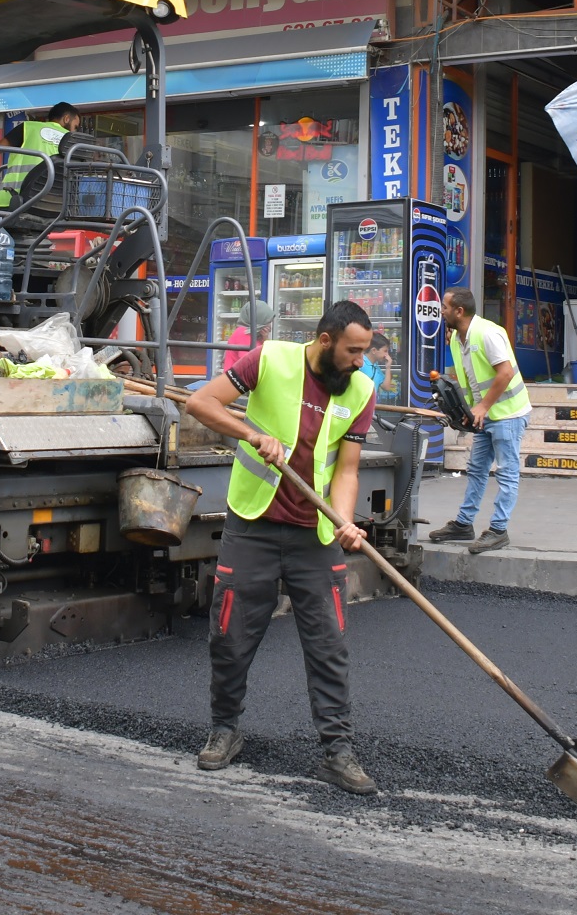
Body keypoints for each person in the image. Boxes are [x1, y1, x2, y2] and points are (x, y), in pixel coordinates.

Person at [184, 300, 380, 796]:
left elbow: (348, 469)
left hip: (313, 537)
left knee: (329, 642)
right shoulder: (268, 359)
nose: (360, 360)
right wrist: (254, 434)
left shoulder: (361, 389)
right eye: (353, 350)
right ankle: (225, 730)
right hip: (254, 523)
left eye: (365, 351)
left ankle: (337, 749)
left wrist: (345, 521)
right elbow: (200, 403)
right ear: (325, 340)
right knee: (230, 634)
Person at [428, 289, 531, 553]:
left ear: (459, 311)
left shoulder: (488, 333)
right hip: (485, 415)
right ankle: (464, 524)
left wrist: (483, 406)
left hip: (508, 414)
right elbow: (471, 380)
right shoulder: (455, 340)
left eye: (445, 307)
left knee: (506, 473)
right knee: (476, 469)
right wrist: (468, 409)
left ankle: (498, 530)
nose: (442, 312)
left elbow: (505, 373)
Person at [0, 103, 83, 210]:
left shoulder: (28, 128)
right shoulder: (73, 144)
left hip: (15, 200)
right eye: (75, 126)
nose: (74, 131)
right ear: (66, 119)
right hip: (54, 206)